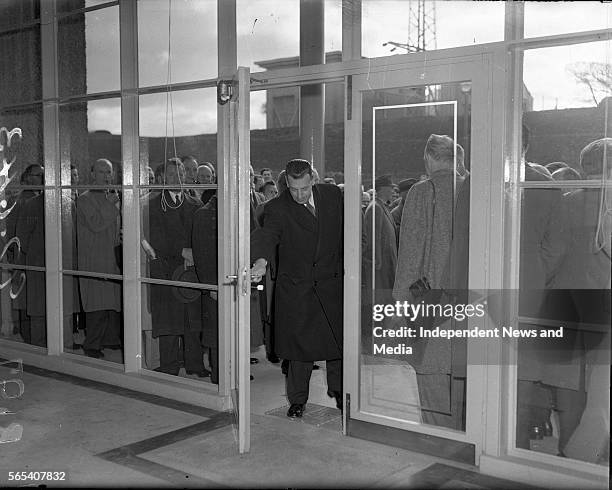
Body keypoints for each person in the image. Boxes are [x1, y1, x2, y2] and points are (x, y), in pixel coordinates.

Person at [250, 158, 343, 418]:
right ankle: (298, 400)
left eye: (304, 188)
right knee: (300, 350)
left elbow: (347, 234)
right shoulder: (277, 208)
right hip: (298, 288)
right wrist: (260, 261)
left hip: (331, 284)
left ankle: (339, 393)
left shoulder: (333, 195)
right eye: (293, 189)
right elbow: (269, 235)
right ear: (286, 185)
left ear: (313, 179)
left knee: (337, 346)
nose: (299, 195)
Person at [393, 134, 466, 429]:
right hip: (469, 298)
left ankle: (440, 437)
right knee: (462, 372)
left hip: (430, 299)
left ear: (429, 158)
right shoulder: (473, 187)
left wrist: (400, 304)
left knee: (432, 371)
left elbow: (410, 251)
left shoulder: (423, 191)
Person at [143, 158, 208, 377]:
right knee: (169, 322)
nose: (176, 178)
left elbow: (202, 234)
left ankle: (195, 365)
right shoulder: (152, 204)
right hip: (166, 270)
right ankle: (169, 367)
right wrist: (182, 251)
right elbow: (155, 237)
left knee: (192, 319)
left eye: (180, 174)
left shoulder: (195, 203)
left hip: (190, 271)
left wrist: (196, 254)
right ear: (162, 178)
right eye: (171, 175)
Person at [76, 159, 123, 358]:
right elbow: (95, 224)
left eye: (109, 172)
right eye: (101, 171)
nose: (106, 176)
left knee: (112, 301)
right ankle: (92, 344)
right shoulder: (85, 199)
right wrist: (111, 205)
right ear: (92, 174)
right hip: (94, 257)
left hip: (111, 256)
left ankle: (110, 339)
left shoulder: (111, 196)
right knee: (96, 303)